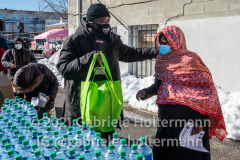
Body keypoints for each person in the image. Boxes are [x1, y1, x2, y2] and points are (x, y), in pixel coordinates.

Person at [57, 3, 157, 142]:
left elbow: (132, 53)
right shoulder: (75, 40)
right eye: (102, 21)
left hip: (107, 106)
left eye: (108, 21)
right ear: (90, 22)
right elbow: (64, 68)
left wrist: (155, 51)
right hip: (81, 108)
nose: (106, 24)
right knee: (83, 150)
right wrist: (88, 60)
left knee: (105, 148)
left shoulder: (112, 40)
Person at [136, 25, 227, 160]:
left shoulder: (190, 61)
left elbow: (207, 93)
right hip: (166, 124)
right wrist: (146, 92)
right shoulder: (162, 61)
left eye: (167, 42)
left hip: (188, 125)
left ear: (177, 41)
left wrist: (200, 120)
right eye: (161, 42)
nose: (163, 46)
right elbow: (160, 86)